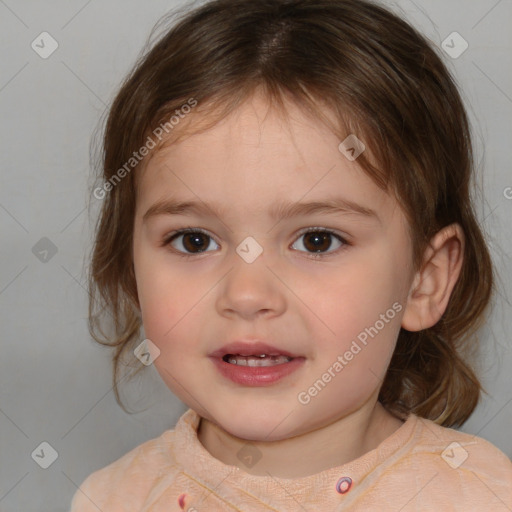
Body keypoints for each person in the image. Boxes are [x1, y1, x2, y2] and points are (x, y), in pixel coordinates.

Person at [70, 0, 512, 510]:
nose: (247, 295)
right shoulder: (110, 500)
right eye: (194, 241)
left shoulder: (486, 495)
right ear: (131, 270)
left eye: (317, 240)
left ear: (424, 280)